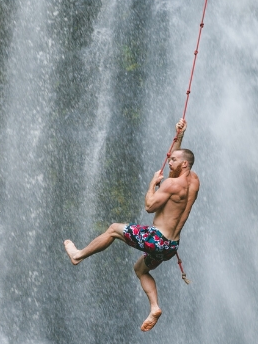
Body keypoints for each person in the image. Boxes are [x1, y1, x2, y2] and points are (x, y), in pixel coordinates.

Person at [64, 119, 200, 331]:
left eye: (172, 159)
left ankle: (78, 255)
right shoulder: (193, 180)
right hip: (171, 247)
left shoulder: (172, 184)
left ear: (183, 164)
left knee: (113, 229)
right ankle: (154, 307)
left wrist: (152, 184)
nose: (168, 161)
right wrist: (179, 136)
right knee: (140, 269)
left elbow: (149, 206)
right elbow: (177, 166)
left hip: (157, 239)